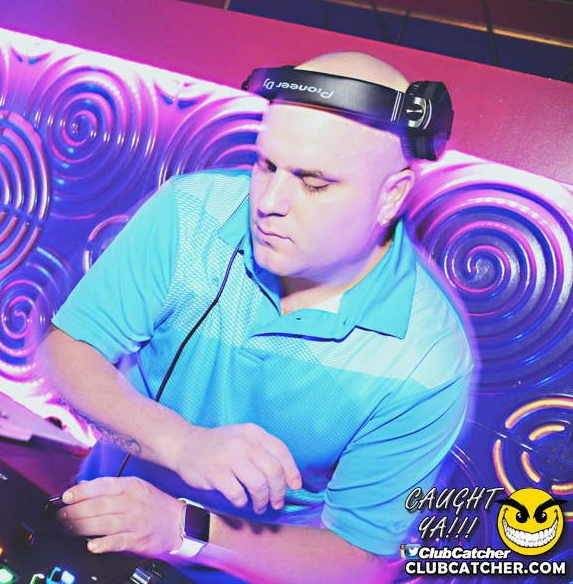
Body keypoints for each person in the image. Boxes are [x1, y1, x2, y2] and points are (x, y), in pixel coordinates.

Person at [38, 51, 476, 584]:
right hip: (96, 529)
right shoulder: (188, 215)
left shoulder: (428, 357)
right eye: (266, 164)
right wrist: (179, 441)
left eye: (314, 182)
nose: (269, 201)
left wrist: (184, 528)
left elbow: (364, 561)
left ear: (392, 196)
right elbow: (67, 348)